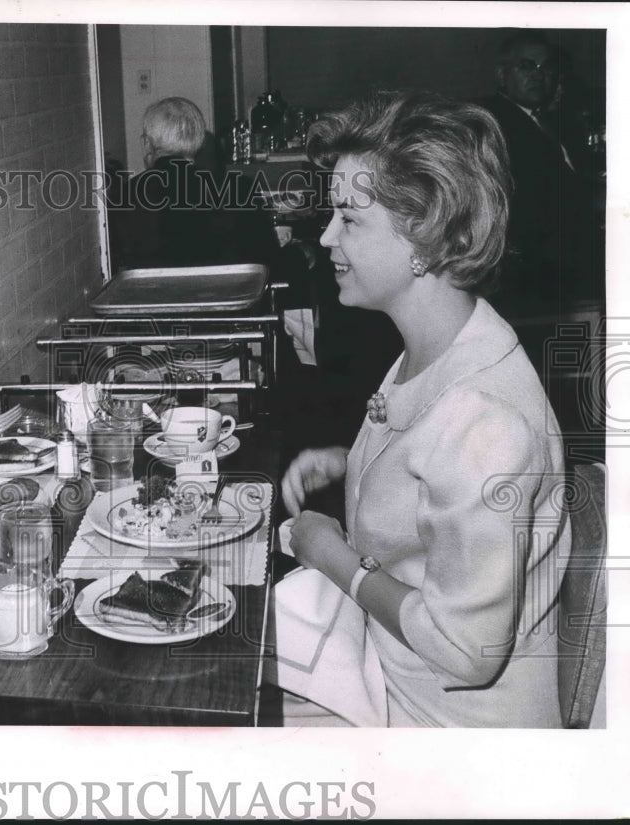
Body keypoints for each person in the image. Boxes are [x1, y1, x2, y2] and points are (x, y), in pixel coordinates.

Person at [278, 91, 570, 727]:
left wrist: (327, 552)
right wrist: (349, 461)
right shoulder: (437, 348)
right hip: (393, 680)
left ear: (426, 238)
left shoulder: (488, 419)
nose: (325, 238)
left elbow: (467, 653)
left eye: (349, 220)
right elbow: (430, 465)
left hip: (455, 745)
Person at [478, 30, 603, 317]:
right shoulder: (493, 122)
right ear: (502, 75)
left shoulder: (549, 121)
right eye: (526, 66)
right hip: (535, 276)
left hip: (568, 268)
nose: (538, 74)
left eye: (546, 67)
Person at [108, 96, 277, 271]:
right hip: (224, 296)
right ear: (200, 143)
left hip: (152, 296)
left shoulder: (122, 197)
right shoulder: (240, 189)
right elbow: (266, 261)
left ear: (146, 144)